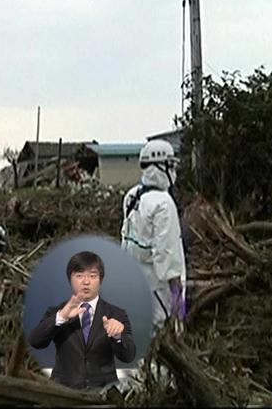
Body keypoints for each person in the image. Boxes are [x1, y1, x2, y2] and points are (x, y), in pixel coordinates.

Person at [28, 251, 136, 390]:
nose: (86, 282)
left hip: (103, 393)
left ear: (100, 280)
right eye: (79, 276)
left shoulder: (116, 314)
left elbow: (129, 356)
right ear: (70, 279)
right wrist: (61, 317)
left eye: (92, 276)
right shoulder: (57, 311)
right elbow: (35, 341)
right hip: (63, 391)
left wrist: (118, 336)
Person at [120, 139, 187, 334]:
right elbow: (167, 255)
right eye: (171, 166)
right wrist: (178, 300)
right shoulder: (164, 204)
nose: (173, 172)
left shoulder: (132, 196)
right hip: (157, 289)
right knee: (159, 334)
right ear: (162, 166)